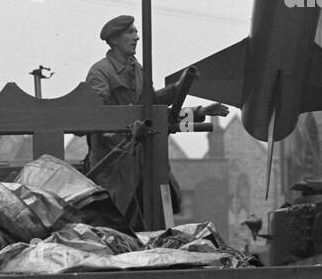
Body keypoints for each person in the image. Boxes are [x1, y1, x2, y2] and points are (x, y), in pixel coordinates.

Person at [85, 15, 226, 225]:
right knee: (118, 225)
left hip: (146, 164)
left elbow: (157, 115)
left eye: (136, 31)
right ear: (114, 40)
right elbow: (97, 119)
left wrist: (200, 111)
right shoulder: (101, 72)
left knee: (155, 223)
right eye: (130, 32)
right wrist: (129, 131)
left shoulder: (140, 71)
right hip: (116, 169)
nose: (137, 37)